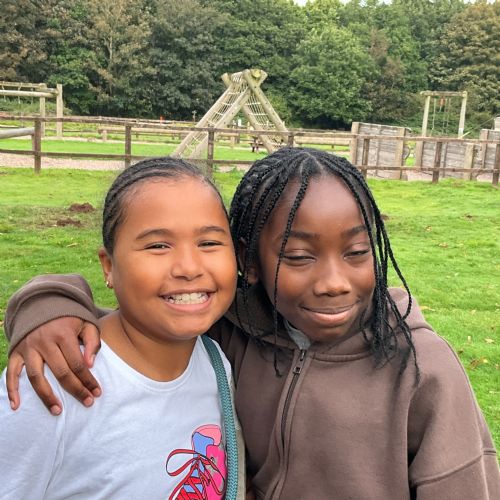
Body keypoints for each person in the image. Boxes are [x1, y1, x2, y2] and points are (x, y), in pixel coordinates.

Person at [3, 148, 499, 499]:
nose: (334, 283)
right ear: (250, 263)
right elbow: (144, 324)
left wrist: (45, 306)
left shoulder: (421, 366)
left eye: (356, 252)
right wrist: (48, 306)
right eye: (298, 256)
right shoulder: (229, 336)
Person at [0, 157, 245, 499]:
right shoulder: (51, 382)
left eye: (209, 243)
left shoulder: (216, 362)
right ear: (109, 267)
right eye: (158, 245)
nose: (189, 267)